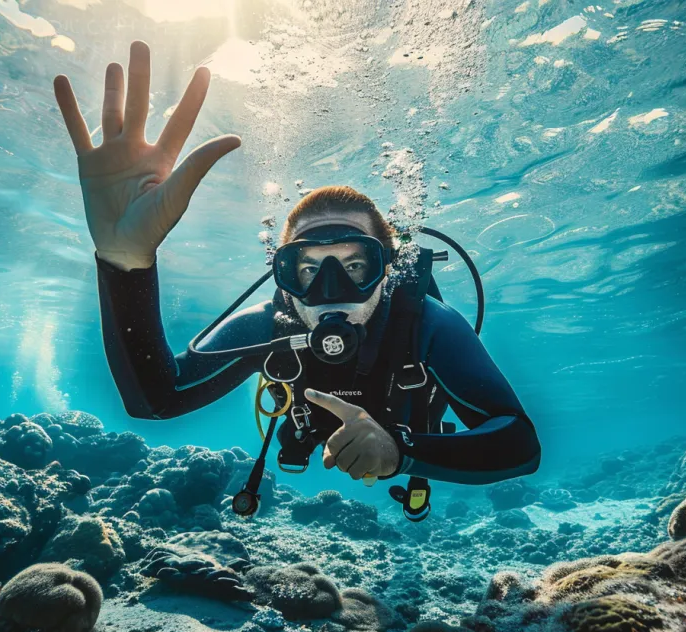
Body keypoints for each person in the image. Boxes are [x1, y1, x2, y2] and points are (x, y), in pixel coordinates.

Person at [53, 41, 540, 515]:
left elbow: (520, 445)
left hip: (408, 434)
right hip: (314, 429)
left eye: (355, 266)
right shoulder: (270, 325)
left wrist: (403, 450)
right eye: (308, 269)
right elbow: (157, 401)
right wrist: (124, 263)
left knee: (416, 476)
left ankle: (413, 483)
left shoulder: (426, 324)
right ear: (283, 277)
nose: (331, 291)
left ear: (387, 269)